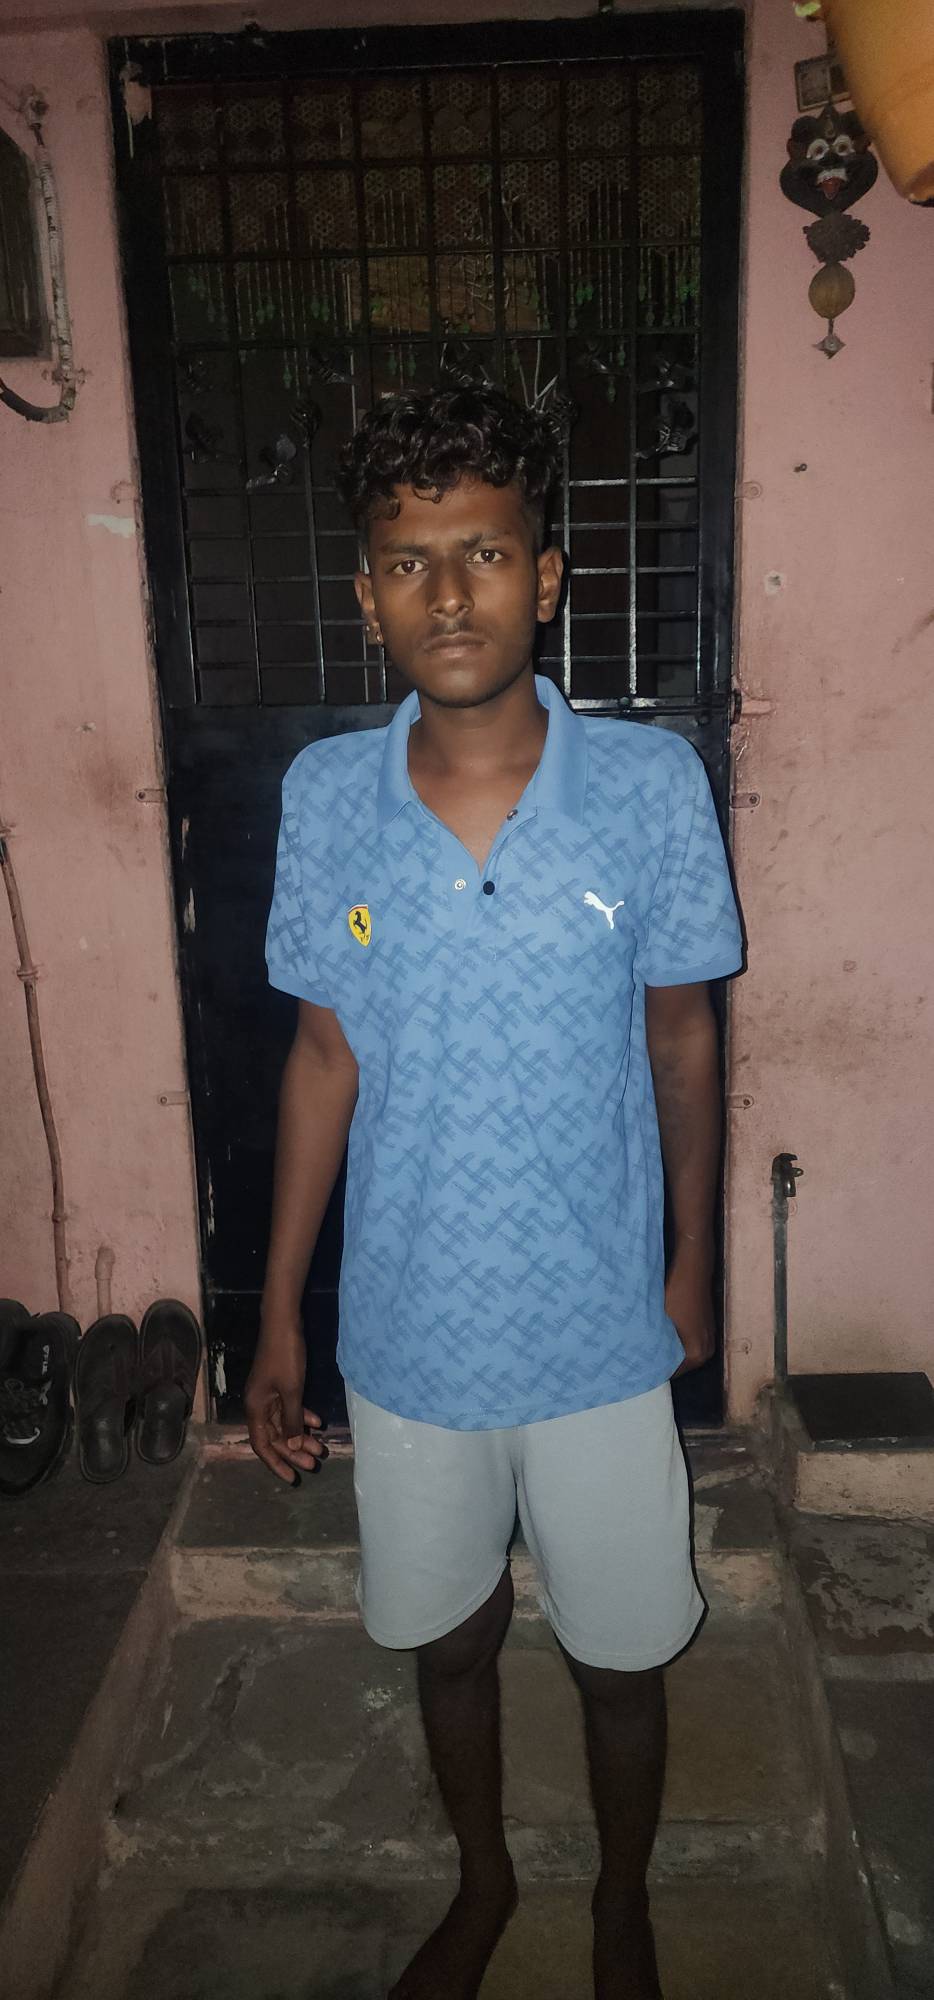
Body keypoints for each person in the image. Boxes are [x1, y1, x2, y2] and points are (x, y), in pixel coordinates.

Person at [247, 385, 743, 2000]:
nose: (447, 593)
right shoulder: (328, 797)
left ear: (545, 577)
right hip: (409, 1327)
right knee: (449, 1640)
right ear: (365, 593)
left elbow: (683, 1035)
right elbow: (323, 1059)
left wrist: (690, 1266)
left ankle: (619, 1902)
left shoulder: (648, 787)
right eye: (408, 560)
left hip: (597, 1321)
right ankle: (482, 1883)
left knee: (618, 1655)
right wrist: (278, 1316)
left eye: (482, 552)